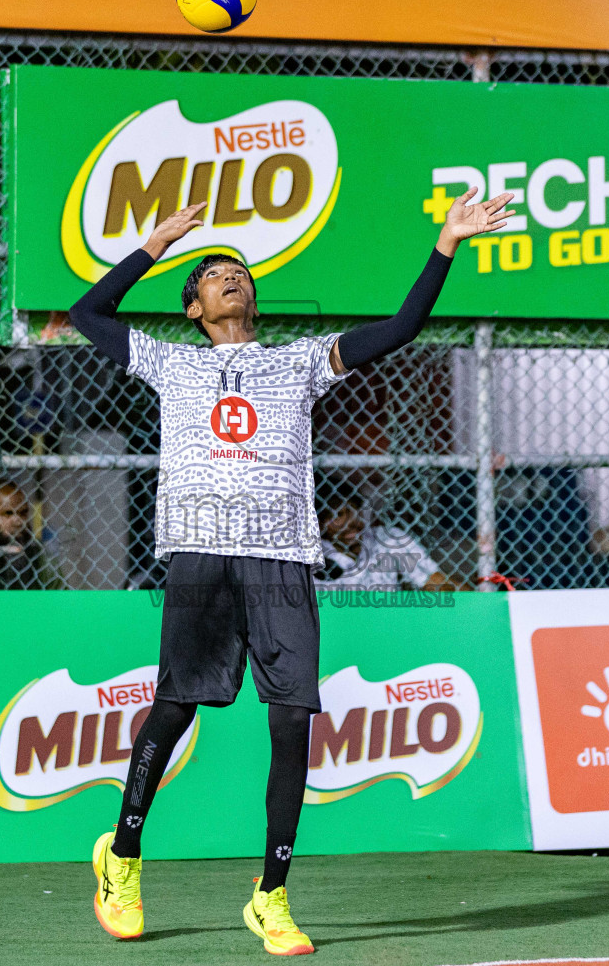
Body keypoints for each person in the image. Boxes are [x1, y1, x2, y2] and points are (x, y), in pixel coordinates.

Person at [68, 188, 513, 954]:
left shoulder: (300, 363)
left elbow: (403, 329)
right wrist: (157, 244)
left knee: (291, 724)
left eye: (238, 269)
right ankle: (124, 857)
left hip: (281, 561)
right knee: (176, 707)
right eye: (212, 274)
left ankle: (271, 894)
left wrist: (446, 241)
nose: (230, 275)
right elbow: (88, 316)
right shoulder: (171, 363)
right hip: (201, 553)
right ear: (194, 308)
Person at [315, 492, 452, 591]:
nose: (349, 523)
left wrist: (468, 598)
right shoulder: (313, 558)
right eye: (336, 516)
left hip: (388, 624)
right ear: (320, 523)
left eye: (352, 510)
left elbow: (434, 580)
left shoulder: (387, 537)